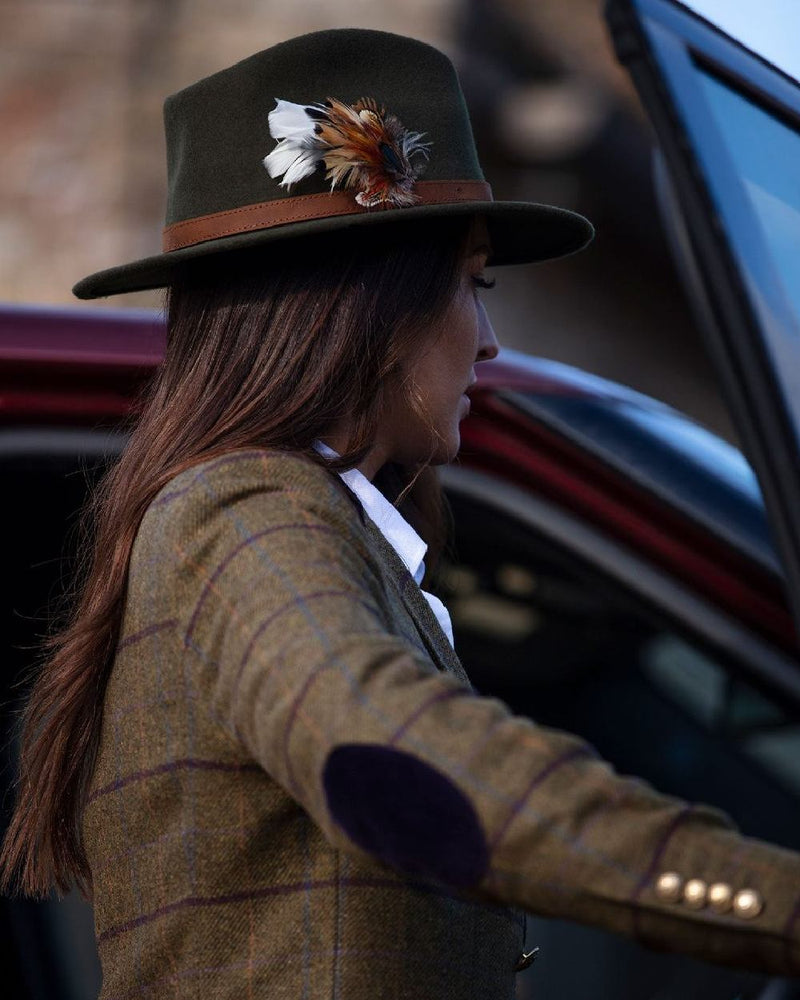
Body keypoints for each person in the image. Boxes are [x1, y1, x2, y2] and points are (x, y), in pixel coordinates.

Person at [3, 26, 800, 1000]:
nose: (491, 341)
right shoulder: (245, 512)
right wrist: (770, 900)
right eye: (473, 285)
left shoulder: (302, 526)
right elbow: (388, 750)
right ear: (368, 305)